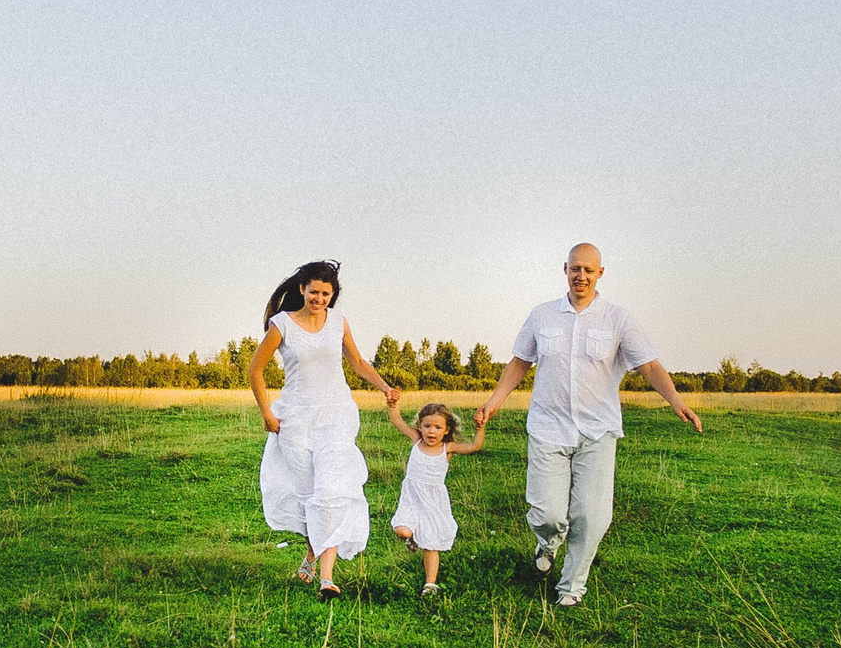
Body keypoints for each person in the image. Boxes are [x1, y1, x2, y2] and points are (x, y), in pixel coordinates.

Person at [477, 243, 701, 609]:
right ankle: (548, 542)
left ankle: (571, 586)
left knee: (592, 515)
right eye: (575, 268)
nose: (581, 276)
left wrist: (675, 400)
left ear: (600, 273)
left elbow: (649, 365)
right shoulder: (542, 315)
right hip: (548, 427)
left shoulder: (618, 319)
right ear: (565, 269)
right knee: (547, 512)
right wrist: (494, 402)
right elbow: (520, 362)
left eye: (588, 270)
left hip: (597, 431)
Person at [249, 260, 399, 601]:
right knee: (307, 497)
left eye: (326, 294)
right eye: (314, 292)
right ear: (302, 289)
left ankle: (327, 579)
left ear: (333, 295)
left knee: (330, 492)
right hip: (296, 421)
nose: (319, 299)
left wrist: (385, 387)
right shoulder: (282, 325)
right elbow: (255, 370)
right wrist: (267, 413)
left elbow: (357, 363)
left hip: (336, 417)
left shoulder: (338, 322)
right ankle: (311, 553)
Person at [383, 399, 485, 597]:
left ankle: (430, 584)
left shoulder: (448, 448)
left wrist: (480, 427)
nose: (432, 431)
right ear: (420, 426)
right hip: (412, 497)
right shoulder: (416, 440)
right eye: (427, 426)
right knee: (402, 531)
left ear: (446, 430)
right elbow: (396, 420)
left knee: (431, 544)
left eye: (438, 427)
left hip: (433, 502)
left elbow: (475, 446)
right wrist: (392, 404)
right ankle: (412, 538)